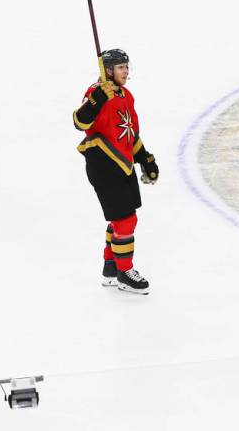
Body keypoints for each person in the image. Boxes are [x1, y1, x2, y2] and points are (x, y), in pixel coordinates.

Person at [73, 49, 158, 295]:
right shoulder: (96, 92)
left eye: (126, 66)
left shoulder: (126, 95)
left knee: (121, 220)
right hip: (103, 164)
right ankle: (125, 272)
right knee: (125, 220)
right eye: (121, 67)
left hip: (124, 164)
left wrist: (146, 159)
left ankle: (111, 269)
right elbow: (80, 122)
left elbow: (130, 133)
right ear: (107, 70)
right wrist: (97, 99)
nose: (126, 71)